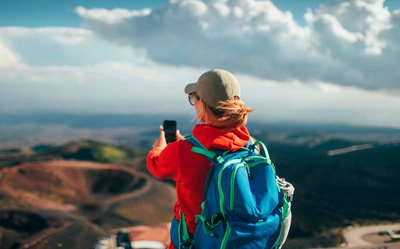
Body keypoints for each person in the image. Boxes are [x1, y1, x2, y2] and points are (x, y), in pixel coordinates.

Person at [146, 69, 256, 249]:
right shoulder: (252, 145)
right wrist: (187, 146)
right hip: (239, 238)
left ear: (202, 103)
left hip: (196, 239)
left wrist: (159, 148)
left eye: (194, 98)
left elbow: (155, 166)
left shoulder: (183, 151)